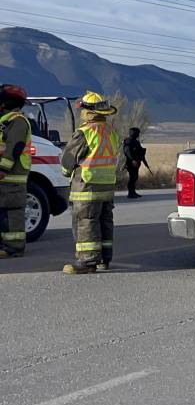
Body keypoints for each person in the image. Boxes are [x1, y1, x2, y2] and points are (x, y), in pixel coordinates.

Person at [61, 92, 120, 275]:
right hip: (107, 185)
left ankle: (87, 262)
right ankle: (104, 259)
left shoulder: (84, 133)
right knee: (104, 221)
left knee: (86, 222)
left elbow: (67, 161)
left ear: (88, 111)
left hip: (87, 187)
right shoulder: (111, 133)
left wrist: (66, 173)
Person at [0, 84, 32, 258]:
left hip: (12, 175)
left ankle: (14, 247)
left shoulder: (17, 121)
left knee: (12, 212)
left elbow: (14, 147)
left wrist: (3, 168)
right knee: (3, 212)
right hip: (6, 176)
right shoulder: (5, 121)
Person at [122, 127, 149, 199]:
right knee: (132, 178)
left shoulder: (136, 142)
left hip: (136, 162)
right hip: (131, 162)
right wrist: (132, 160)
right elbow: (127, 152)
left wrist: (143, 160)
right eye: (137, 133)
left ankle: (133, 192)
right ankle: (130, 193)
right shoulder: (128, 141)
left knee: (135, 177)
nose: (138, 134)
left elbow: (140, 151)